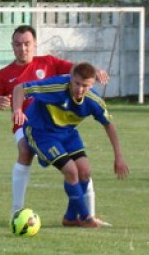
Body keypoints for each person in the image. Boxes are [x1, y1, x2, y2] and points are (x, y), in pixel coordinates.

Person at [0, 25, 108, 220]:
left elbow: (77, 70)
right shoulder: (4, 74)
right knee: (25, 150)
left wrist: (95, 72)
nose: (22, 48)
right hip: (25, 124)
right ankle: (17, 212)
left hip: (55, 126)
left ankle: (89, 215)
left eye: (27, 44)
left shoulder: (49, 62)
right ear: (12, 46)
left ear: (35, 45)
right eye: (18, 44)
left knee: (81, 165)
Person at [11, 62, 129, 229]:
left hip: (67, 133)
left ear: (92, 84)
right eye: (77, 83)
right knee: (71, 171)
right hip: (41, 132)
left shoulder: (93, 100)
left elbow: (109, 125)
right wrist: (17, 110)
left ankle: (70, 218)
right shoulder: (56, 86)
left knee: (85, 170)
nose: (80, 89)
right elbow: (20, 88)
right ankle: (86, 217)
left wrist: (119, 157)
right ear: (71, 78)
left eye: (85, 86)